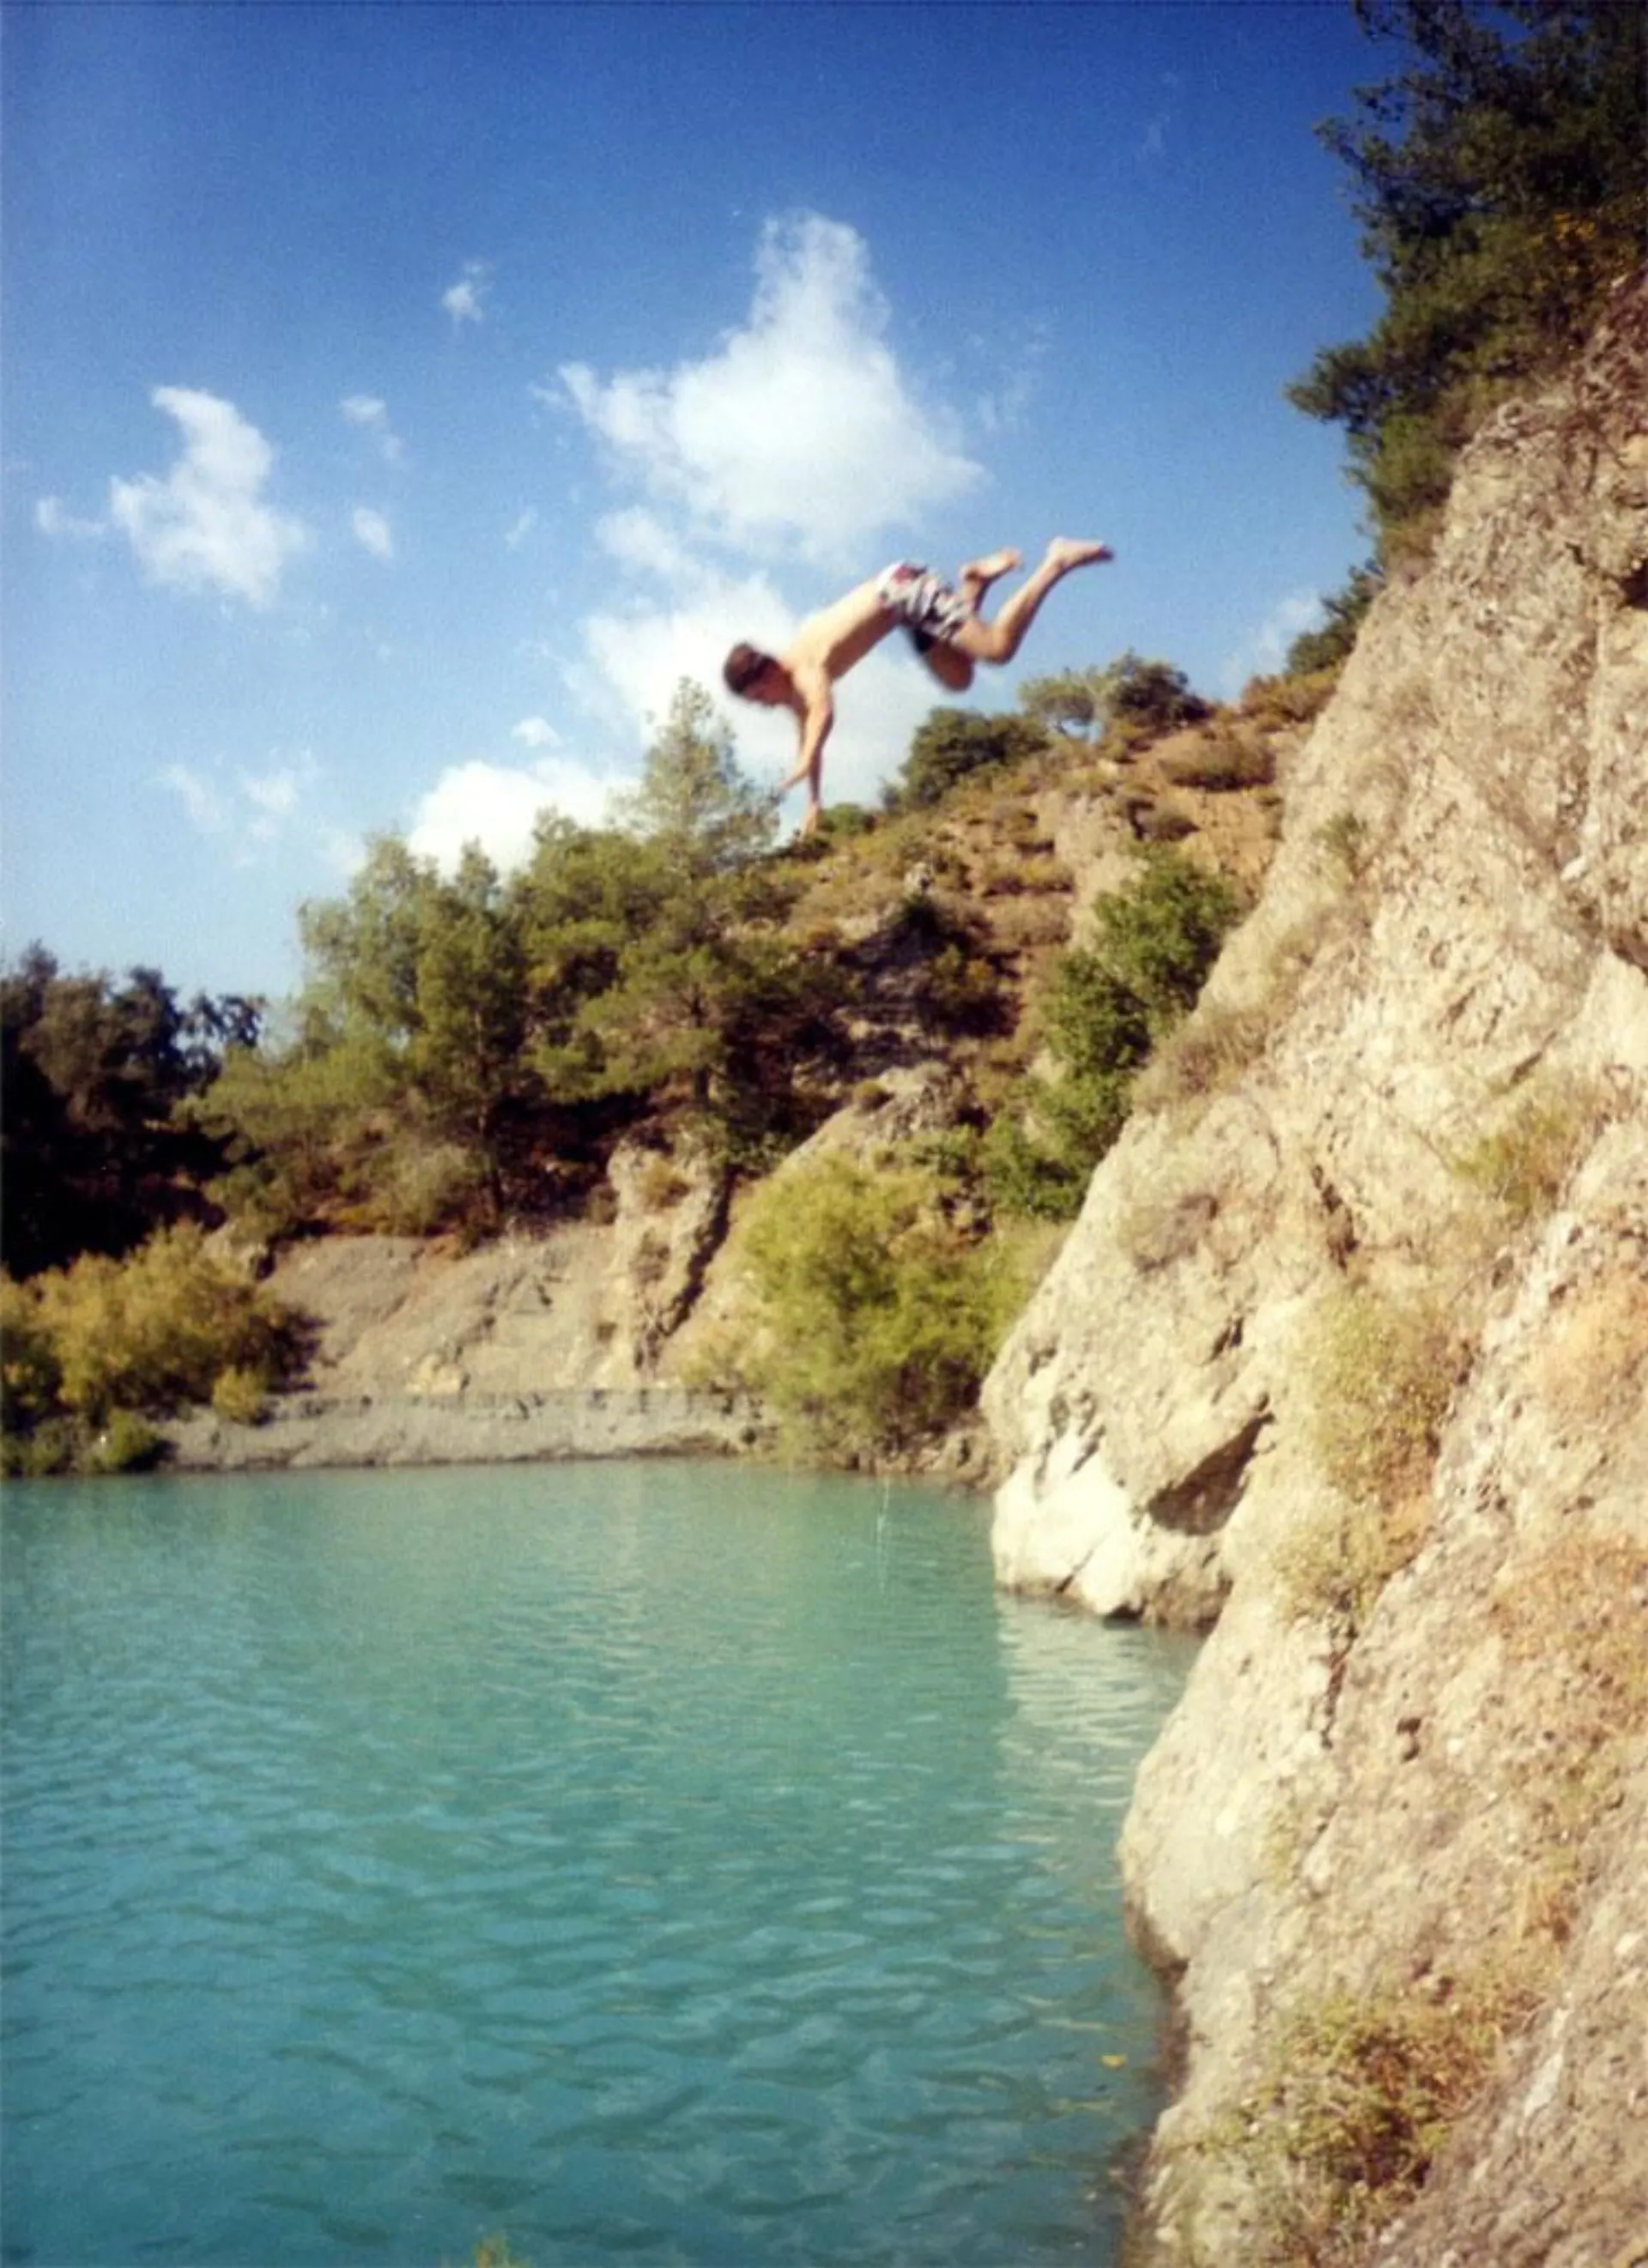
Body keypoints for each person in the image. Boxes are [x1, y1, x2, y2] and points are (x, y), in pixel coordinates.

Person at [722, 537, 1113, 834]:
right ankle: (974, 583)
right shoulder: (792, 694)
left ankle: (1056, 561)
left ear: (768, 672)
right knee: (960, 677)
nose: (765, 706)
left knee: (995, 648)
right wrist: (813, 800)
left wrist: (806, 758)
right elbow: (807, 737)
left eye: (760, 697)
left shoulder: (804, 669)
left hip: (902, 588)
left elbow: (822, 713)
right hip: (902, 614)